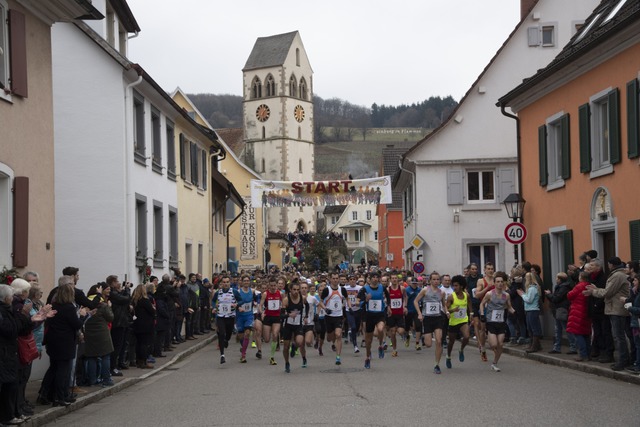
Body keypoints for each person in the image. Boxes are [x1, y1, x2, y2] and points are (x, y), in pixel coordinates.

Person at [42, 283, 88, 406]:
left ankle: (50, 395)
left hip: (53, 341)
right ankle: (60, 396)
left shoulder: (55, 305)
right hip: (65, 342)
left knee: (54, 367)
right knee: (63, 370)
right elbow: (76, 324)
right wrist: (83, 315)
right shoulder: (68, 307)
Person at [584, 257, 630, 371]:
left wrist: (593, 291)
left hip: (617, 309)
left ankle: (623, 360)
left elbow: (607, 292)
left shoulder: (617, 275)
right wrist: (597, 289)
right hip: (615, 308)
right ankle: (623, 359)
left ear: (611, 265)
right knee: (618, 336)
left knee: (619, 336)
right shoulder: (616, 274)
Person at [415, 272, 450, 374]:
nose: (436, 281)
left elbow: (443, 304)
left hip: (438, 318)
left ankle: (437, 364)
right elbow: (416, 301)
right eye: (434, 279)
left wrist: (447, 311)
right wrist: (419, 314)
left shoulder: (441, 292)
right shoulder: (425, 290)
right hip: (427, 319)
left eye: (437, 279)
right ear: (430, 281)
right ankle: (424, 337)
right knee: (429, 344)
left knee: (439, 341)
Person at [480, 272, 515, 372]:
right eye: (498, 282)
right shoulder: (489, 294)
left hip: (501, 322)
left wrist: (514, 312)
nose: (500, 284)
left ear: (503, 283)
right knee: (494, 345)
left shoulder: (506, 295)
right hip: (491, 322)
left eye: (501, 282)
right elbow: (482, 304)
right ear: (494, 283)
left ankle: (494, 363)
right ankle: (489, 339)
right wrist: (482, 314)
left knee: (500, 344)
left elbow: (509, 306)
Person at [356, 271, 389, 369]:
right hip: (369, 316)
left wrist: (389, 307)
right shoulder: (364, 289)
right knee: (368, 340)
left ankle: (380, 346)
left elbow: (388, 297)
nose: (375, 279)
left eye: (377, 277)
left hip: (380, 314)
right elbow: (357, 303)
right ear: (369, 279)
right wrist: (365, 300)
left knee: (380, 329)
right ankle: (367, 356)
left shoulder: (382, 288)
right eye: (373, 277)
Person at [83, 296, 115, 387]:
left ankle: (92, 380)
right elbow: (111, 317)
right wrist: (109, 307)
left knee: (91, 357)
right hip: (102, 334)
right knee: (105, 356)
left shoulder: (86, 304)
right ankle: (106, 379)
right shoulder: (103, 306)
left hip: (89, 334)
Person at [321, 272, 349, 365]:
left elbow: (347, 298)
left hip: (338, 316)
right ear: (330, 279)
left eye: (337, 278)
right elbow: (320, 302)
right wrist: (325, 308)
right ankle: (331, 340)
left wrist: (348, 306)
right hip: (329, 317)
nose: (336, 280)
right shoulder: (326, 290)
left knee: (338, 335)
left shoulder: (342, 289)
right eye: (334, 278)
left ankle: (338, 357)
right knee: (329, 338)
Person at [281, 280, 309, 373]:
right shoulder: (286, 300)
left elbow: (307, 305)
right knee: (285, 347)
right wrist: (289, 315)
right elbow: (281, 315)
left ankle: (294, 346)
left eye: (298, 289)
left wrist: (306, 316)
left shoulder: (302, 298)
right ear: (290, 290)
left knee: (299, 342)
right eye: (294, 289)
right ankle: (287, 363)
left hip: (298, 325)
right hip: (288, 325)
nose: (296, 291)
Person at [545, 272, 577, 355]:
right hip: (558, 310)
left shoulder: (563, 287)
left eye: (557, 278)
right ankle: (557, 347)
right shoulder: (562, 287)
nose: (556, 279)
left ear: (560, 279)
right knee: (558, 329)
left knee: (566, 328)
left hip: (561, 309)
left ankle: (573, 347)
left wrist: (549, 295)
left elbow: (556, 298)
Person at [445, 275, 472, 369]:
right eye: (453, 286)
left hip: (463, 320)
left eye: (456, 286)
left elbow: (469, 304)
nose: (454, 287)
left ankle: (461, 349)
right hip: (453, 321)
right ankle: (448, 356)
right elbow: (446, 309)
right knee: (451, 342)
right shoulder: (451, 297)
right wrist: (452, 311)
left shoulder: (466, 295)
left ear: (461, 286)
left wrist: (471, 314)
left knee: (467, 337)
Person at [211, 275, 238, 364]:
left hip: (230, 316)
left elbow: (241, 300)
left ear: (229, 283)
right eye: (224, 282)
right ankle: (222, 355)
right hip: (221, 316)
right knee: (221, 333)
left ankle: (227, 340)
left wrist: (236, 305)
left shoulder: (234, 291)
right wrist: (215, 307)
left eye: (227, 282)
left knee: (229, 334)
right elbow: (213, 301)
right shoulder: (218, 292)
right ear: (221, 283)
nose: (225, 284)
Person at [567, 271, 592, 361]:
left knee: (578, 333)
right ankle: (588, 354)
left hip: (578, 310)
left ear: (581, 277)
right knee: (586, 334)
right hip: (586, 310)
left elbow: (570, 295)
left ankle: (582, 354)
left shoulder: (579, 285)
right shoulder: (589, 285)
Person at [474, 263, 495, 362]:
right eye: (488, 269)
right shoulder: (481, 281)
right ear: (484, 270)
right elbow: (477, 295)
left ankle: (495, 346)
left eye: (492, 269)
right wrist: (487, 288)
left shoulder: (497, 280)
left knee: (494, 329)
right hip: (484, 307)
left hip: (495, 308)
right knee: (483, 330)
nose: (490, 270)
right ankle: (483, 349)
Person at [259, 276, 282, 366]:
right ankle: (268, 339)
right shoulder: (265, 294)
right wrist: (262, 313)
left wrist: (284, 311)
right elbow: (260, 305)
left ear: (276, 285)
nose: (273, 287)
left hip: (276, 317)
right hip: (268, 317)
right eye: (271, 285)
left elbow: (283, 304)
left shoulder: (280, 293)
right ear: (269, 286)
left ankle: (272, 357)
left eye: (274, 285)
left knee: (275, 334)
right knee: (267, 339)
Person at [131, 285, 155, 369]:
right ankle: (143, 361)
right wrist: (153, 308)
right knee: (144, 344)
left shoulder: (134, 301)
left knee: (138, 343)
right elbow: (152, 311)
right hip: (145, 325)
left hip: (137, 324)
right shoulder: (145, 300)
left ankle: (138, 360)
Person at [518, 272, 542, 353]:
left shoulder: (532, 288)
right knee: (530, 328)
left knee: (533, 328)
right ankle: (535, 345)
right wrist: (524, 294)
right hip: (530, 310)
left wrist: (522, 295)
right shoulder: (532, 288)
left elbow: (529, 300)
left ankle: (534, 346)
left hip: (532, 310)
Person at [234, 275, 255, 363]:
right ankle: (243, 347)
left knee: (247, 333)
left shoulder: (253, 291)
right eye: (245, 281)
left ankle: (243, 355)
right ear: (242, 282)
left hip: (249, 315)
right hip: (240, 316)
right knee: (241, 335)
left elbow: (257, 299)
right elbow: (234, 303)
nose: (246, 282)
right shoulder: (238, 292)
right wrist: (238, 308)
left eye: (248, 280)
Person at [386, 273, 407, 357]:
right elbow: (386, 300)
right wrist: (388, 307)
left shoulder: (402, 288)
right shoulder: (388, 289)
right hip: (391, 314)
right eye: (393, 278)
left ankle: (404, 335)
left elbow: (405, 297)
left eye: (395, 278)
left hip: (400, 313)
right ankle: (394, 349)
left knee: (400, 331)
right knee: (393, 332)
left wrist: (405, 306)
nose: (394, 279)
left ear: (397, 280)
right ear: (390, 280)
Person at [344, 275, 363, 354]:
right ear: (348, 281)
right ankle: (355, 346)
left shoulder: (360, 288)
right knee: (353, 327)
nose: (352, 280)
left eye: (354, 279)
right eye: (351, 279)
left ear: (356, 280)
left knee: (357, 328)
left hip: (357, 310)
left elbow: (363, 298)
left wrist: (360, 303)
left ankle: (352, 333)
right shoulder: (345, 288)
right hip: (349, 310)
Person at [404, 277, 423, 350]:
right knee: (407, 327)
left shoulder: (419, 290)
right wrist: (405, 307)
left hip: (417, 311)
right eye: (413, 283)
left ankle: (417, 343)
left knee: (418, 326)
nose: (414, 285)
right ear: (410, 283)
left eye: (416, 283)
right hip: (408, 311)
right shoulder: (407, 290)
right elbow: (404, 299)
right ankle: (407, 337)